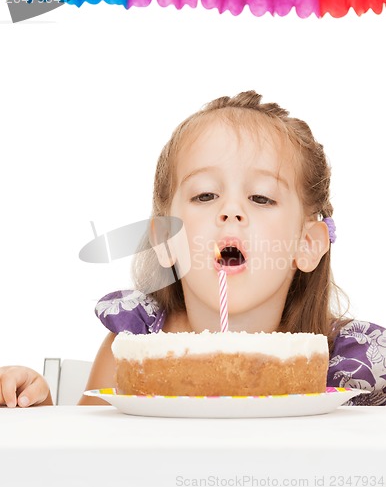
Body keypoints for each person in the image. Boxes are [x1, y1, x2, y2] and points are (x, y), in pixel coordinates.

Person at [1, 91, 385, 407]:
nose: (230, 211)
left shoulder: (353, 365)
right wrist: (41, 411)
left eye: (261, 197)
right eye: (205, 195)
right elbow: (85, 461)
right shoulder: (135, 344)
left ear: (307, 244)